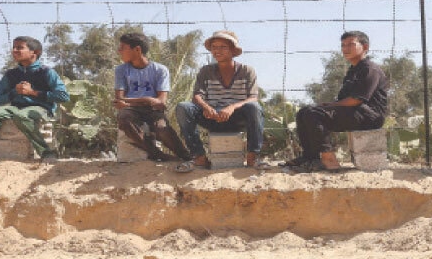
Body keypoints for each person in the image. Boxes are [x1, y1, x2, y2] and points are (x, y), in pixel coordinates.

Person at [285, 30, 388, 172]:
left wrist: (331, 105)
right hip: (356, 112)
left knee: (313, 113)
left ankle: (329, 160)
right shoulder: (353, 71)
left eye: (351, 44)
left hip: (370, 116)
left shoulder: (369, 69)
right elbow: (344, 100)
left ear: (365, 47)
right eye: (343, 45)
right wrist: (329, 105)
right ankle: (310, 157)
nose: (345, 49)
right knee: (304, 112)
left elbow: (357, 100)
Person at [175, 31, 264, 171]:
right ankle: (199, 157)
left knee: (254, 107)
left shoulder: (247, 71)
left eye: (223, 47)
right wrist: (206, 107)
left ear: (233, 50)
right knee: (183, 107)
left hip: (237, 118)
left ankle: (253, 156)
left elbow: (253, 97)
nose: (217, 51)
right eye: (214, 47)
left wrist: (232, 107)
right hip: (212, 116)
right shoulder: (206, 71)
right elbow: (197, 95)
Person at [0, 36, 68, 159]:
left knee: (22, 116)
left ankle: (46, 152)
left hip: (41, 108)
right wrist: (15, 92)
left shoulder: (47, 72)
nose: (14, 51)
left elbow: (63, 96)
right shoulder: (11, 74)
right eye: (14, 47)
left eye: (20, 48)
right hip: (16, 108)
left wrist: (33, 93)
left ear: (35, 52)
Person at [114, 32, 191, 162]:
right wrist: (148, 100)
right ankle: (156, 154)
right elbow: (119, 99)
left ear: (137, 49)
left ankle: (185, 156)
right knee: (124, 118)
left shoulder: (160, 70)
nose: (119, 51)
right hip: (132, 110)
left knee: (162, 128)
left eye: (122, 48)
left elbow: (160, 102)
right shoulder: (121, 70)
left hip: (152, 111)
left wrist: (129, 102)